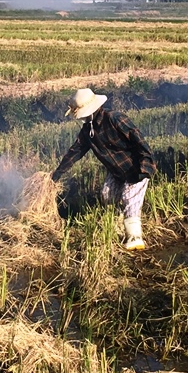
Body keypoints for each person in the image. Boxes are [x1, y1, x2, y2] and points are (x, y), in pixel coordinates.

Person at [51, 88, 156, 251]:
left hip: (135, 167)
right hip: (117, 171)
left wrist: (145, 165)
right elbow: (75, 152)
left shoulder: (115, 118)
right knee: (107, 195)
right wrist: (56, 175)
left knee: (130, 198)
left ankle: (135, 237)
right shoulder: (88, 131)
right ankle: (117, 224)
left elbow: (139, 140)